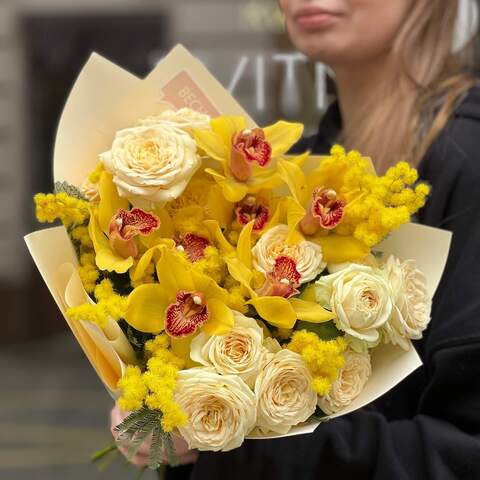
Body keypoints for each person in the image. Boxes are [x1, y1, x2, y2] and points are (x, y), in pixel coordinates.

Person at [112, 1, 480, 478]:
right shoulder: (309, 166)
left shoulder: (464, 161)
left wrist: (237, 441)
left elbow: (465, 451)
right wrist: (186, 415)